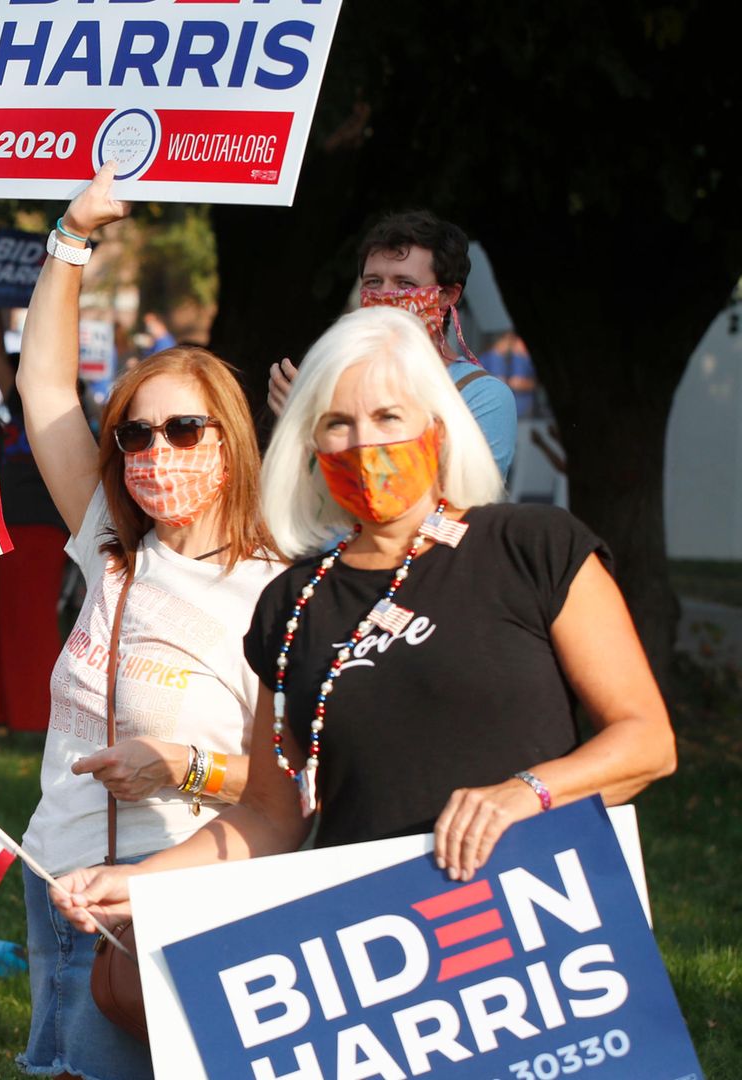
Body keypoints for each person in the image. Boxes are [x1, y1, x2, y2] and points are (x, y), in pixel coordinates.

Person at [53, 304, 676, 944]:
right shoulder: (292, 603)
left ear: (436, 429)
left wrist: (522, 794)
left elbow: (646, 742)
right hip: (376, 949)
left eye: (387, 417)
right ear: (311, 445)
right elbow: (271, 814)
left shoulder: (532, 547)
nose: (363, 443)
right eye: (337, 423)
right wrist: (147, 879)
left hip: (539, 918)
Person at [15, 167, 283, 1080]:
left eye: (182, 431)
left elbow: (308, 786)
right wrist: (73, 234)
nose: (156, 452)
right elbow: (43, 384)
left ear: (230, 440)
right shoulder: (112, 545)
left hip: (170, 895)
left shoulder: (279, 592)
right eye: (135, 434)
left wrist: (182, 767)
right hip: (54, 880)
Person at [268, 209, 517, 474]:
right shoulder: (334, 380)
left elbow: (457, 499)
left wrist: (316, 430)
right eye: (373, 282)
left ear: (447, 296)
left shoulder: (479, 396)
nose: (384, 295)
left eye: (404, 283)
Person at [0, 306, 67, 733]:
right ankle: (6, 715)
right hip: (3, 531)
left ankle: (37, 718)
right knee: (0, 624)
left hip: (40, 534)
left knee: (31, 628)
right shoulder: (11, 417)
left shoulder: (56, 412)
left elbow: (1, 357)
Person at [482, 330, 539, 418]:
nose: (510, 346)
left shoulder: (521, 359)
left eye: (512, 342)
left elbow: (534, 383)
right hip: (502, 409)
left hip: (522, 409)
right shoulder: (492, 357)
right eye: (509, 342)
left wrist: (524, 384)